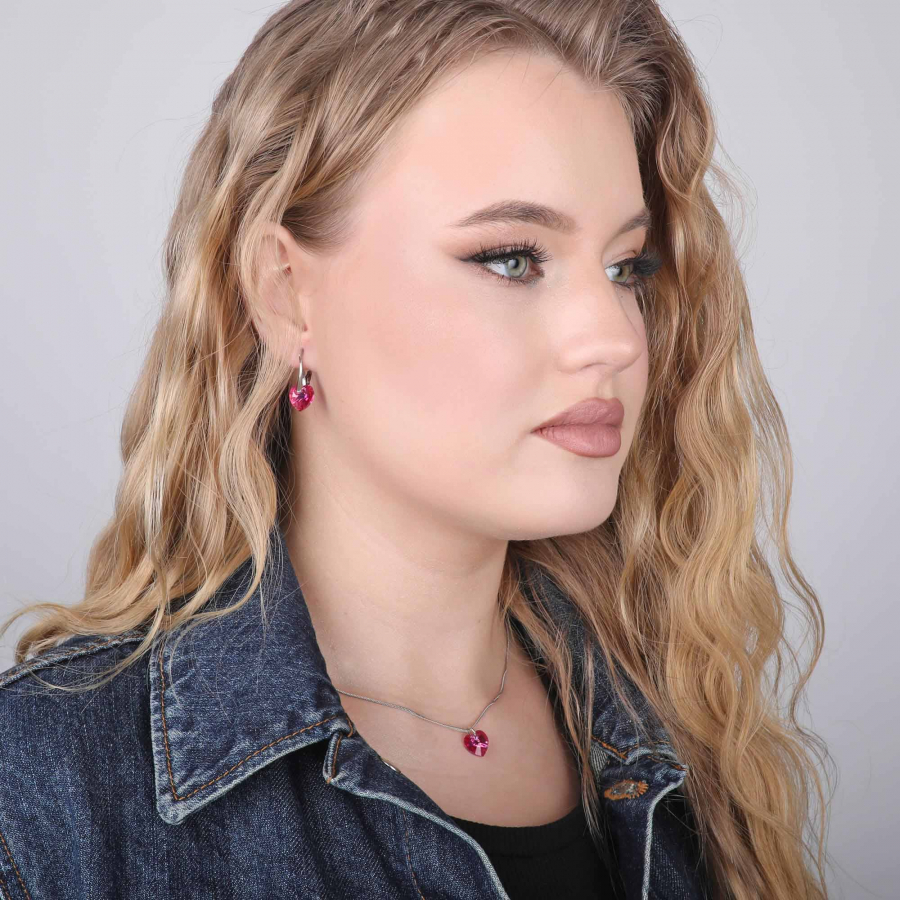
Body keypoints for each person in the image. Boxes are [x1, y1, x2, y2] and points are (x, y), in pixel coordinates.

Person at [0, 1, 834, 898]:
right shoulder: (43, 800)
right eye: (512, 258)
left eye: (626, 266)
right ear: (285, 295)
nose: (616, 338)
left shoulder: (683, 727)